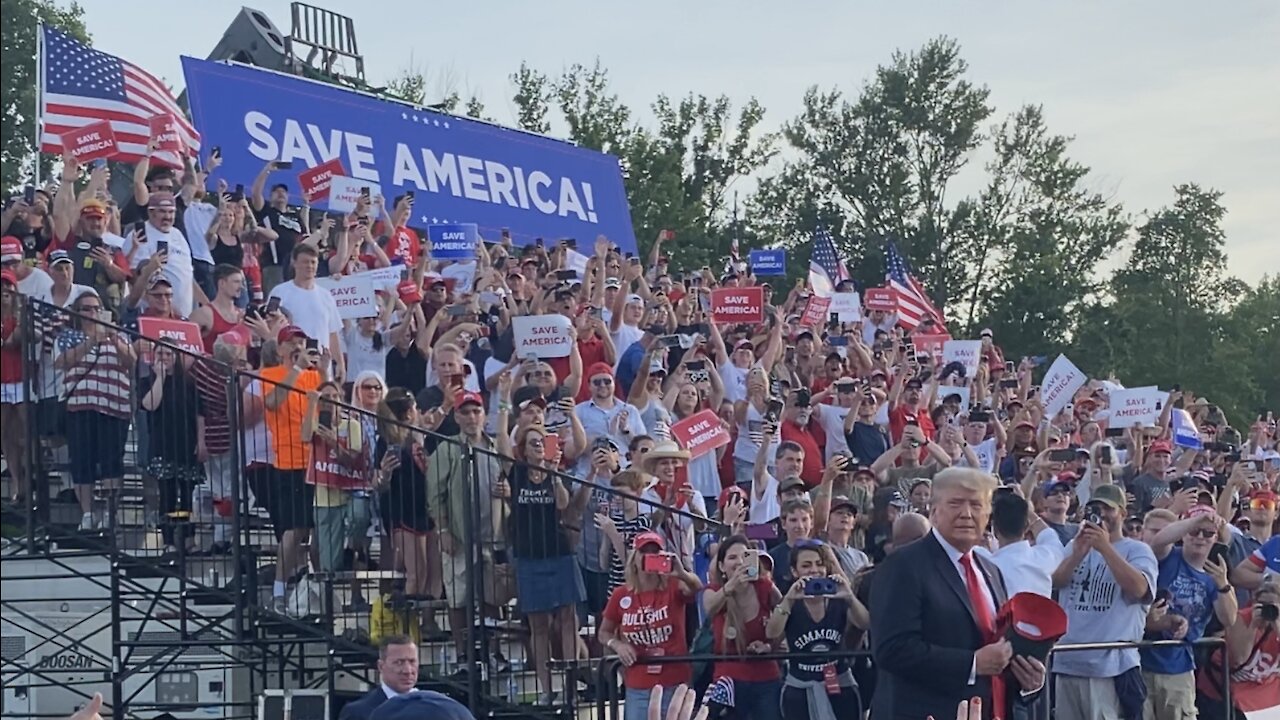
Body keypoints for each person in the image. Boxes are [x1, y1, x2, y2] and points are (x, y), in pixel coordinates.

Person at [870, 467, 1046, 720]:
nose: (966, 513)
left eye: (976, 505)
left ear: (988, 516)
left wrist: (1027, 682)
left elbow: (992, 648)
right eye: (955, 503)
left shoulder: (991, 571)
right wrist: (972, 663)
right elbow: (891, 650)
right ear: (933, 512)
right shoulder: (903, 566)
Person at [1050, 484, 1158, 720]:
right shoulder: (1074, 545)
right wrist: (1078, 552)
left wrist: (1105, 547)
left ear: (1122, 513)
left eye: (1107, 508)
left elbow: (1140, 589)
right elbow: (1056, 582)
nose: (1101, 514)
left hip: (1112, 668)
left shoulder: (1137, 550)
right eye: (1095, 508)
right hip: (1068, 661)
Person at [506, 423, 585, 705]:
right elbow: (503, 442)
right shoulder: (515, 473)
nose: (538, 447)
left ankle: (571, 688)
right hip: (530, 556)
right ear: (524, 451)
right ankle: (546, 689)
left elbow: (563, 505)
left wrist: (553, 472)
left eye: (542, 442)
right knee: (538, 625)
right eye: (533, 443)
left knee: (567, 620)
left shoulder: (555, 473)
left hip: (558, 552)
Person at [1140, 507, 1238, 718]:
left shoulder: (1215, 574)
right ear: (1184, 533)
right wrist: (1195, 520)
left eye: (1208, 533)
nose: (1200, 537)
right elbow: (1158, 541)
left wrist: (1223, 585)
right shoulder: (1168, 556)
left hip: (1180, 666)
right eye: (1195, 531)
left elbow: (1229, 618)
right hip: (1142, 661)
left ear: (1215, 538)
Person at [598, 531, 702, 720]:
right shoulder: (621, 595)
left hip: (675, 681)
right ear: (634, 559)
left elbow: (696, 587)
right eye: (644, 552)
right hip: (638, 685)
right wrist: (617, 644)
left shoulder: (673, 585)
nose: (649, 556)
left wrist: (681, 573)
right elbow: (604, 633)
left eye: (655, 552)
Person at [766, 539, 869, 720]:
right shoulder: (790, 602)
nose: (814, 569)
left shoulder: (838, 598)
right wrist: (789, 599)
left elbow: (864, 623)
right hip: (800, 686)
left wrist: (849, 597)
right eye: (806, 565)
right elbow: (772, 633)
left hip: (839, 683)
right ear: (794, 571)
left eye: (819, 564)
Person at [701, 534, 784, 720]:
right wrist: (733, 584)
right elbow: (710, 608)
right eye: (732, 558)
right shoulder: (713, 590)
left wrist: (770, 646)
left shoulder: (764, 587)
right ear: (722, 566)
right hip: (729, 679)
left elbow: (786, 614)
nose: (739, 562)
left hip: (766, 677)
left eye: (745, 556)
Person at [1193, 575, 1280, 719]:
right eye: (1262, 604)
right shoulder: (1241, 618)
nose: (1267, 610)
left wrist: (1277, 626)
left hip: (1264, 692)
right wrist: (1252, 627)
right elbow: (1238, 659)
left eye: (1272, 605)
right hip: (1222, 689)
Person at [977, 490, 1065, 598]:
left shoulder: (984, 563)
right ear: (1027, 526)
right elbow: (1049, 537)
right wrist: (1028, 510)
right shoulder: (1044, 558)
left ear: (994, 528)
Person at [338, 635, 420, 720]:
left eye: (412, 661)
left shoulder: (431, 706)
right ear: (381, 666)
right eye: (399, 662)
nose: (408, 670)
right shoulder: (357, 713)